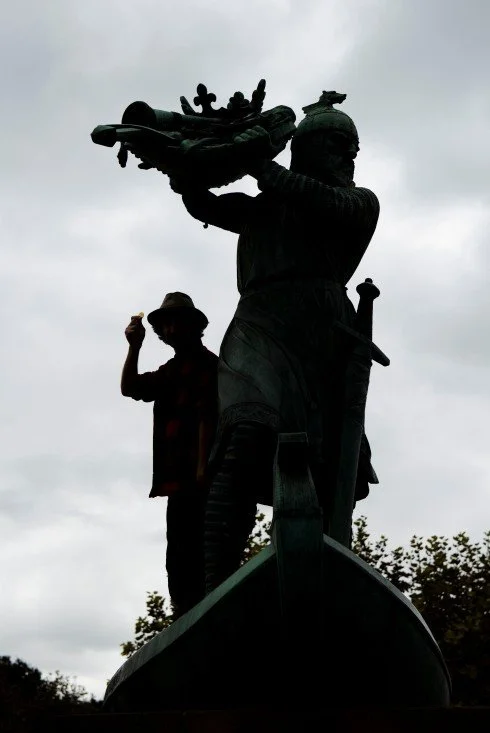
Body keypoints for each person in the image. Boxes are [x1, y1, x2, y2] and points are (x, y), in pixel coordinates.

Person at [170, 92, 380, 594]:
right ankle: (215, 586)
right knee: (243, 435)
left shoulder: (357, 202)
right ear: (305, 148)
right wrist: (188, 161)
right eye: (335, 144)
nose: (347, 155)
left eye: (351, 146)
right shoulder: (264, 208)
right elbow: (202, 202)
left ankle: (315, 576)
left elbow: (311, 197)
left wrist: (253, 157)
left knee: (322, 467)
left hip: (321, 333)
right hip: (258, 324)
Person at [121, 292, 218, 618]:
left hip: (202, 482)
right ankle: (185, 617)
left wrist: (203, 470)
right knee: (177, 557)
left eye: (175, 323)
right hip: (179, 482)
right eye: (166, 325)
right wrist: (134, 347)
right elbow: (131, 387)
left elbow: (208, 414)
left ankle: (203, 615)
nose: (169, 330)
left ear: (192, 327)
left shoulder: (209, 366)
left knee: (203, 555)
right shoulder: (172, 371)